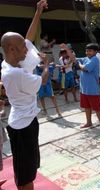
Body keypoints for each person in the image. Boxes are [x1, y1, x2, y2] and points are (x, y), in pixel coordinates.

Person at [0, 1, 50, 189]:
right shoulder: (16, 73)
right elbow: (43, 80)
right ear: (12, 50)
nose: (27, 49)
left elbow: (27, 38)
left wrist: (38, 12)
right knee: (25, 176)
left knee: (29, 167)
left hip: (28, 121)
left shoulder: (11, 62)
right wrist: (46, 65)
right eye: (23, 47)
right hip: (22, 127)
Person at [61, 43, 100, 132]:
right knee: (86, 107)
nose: (87, 52)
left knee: (97, 108)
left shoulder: (95, 60)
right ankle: (88, 122)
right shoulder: (85, 59)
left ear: (95, 52)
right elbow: (74, 59)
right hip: (84, 89)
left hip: (93, 89)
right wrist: (67, 49)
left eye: (90, 51)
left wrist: (79, 65)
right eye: (87, 51)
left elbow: (85, 68)